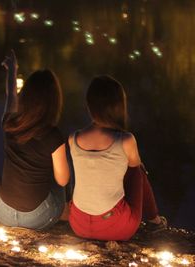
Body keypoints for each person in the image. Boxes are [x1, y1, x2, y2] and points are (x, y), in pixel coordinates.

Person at [68, 75, 167, 241]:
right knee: (137, 170)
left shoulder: (74, 138)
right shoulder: (125, 140)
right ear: (119, 106)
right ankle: (154, 221)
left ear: (89, 105)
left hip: (78, 224)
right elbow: (135, 174)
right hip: (115, 227)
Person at [0, 50, 70, 230]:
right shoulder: (53, 136)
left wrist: (12, 70)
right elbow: (63, 180)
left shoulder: (9, 123)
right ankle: (65, 212)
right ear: (54, 102)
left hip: (2, 211)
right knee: (63, 169)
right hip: (35, 218)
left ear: (26, 96)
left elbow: (11, 96)